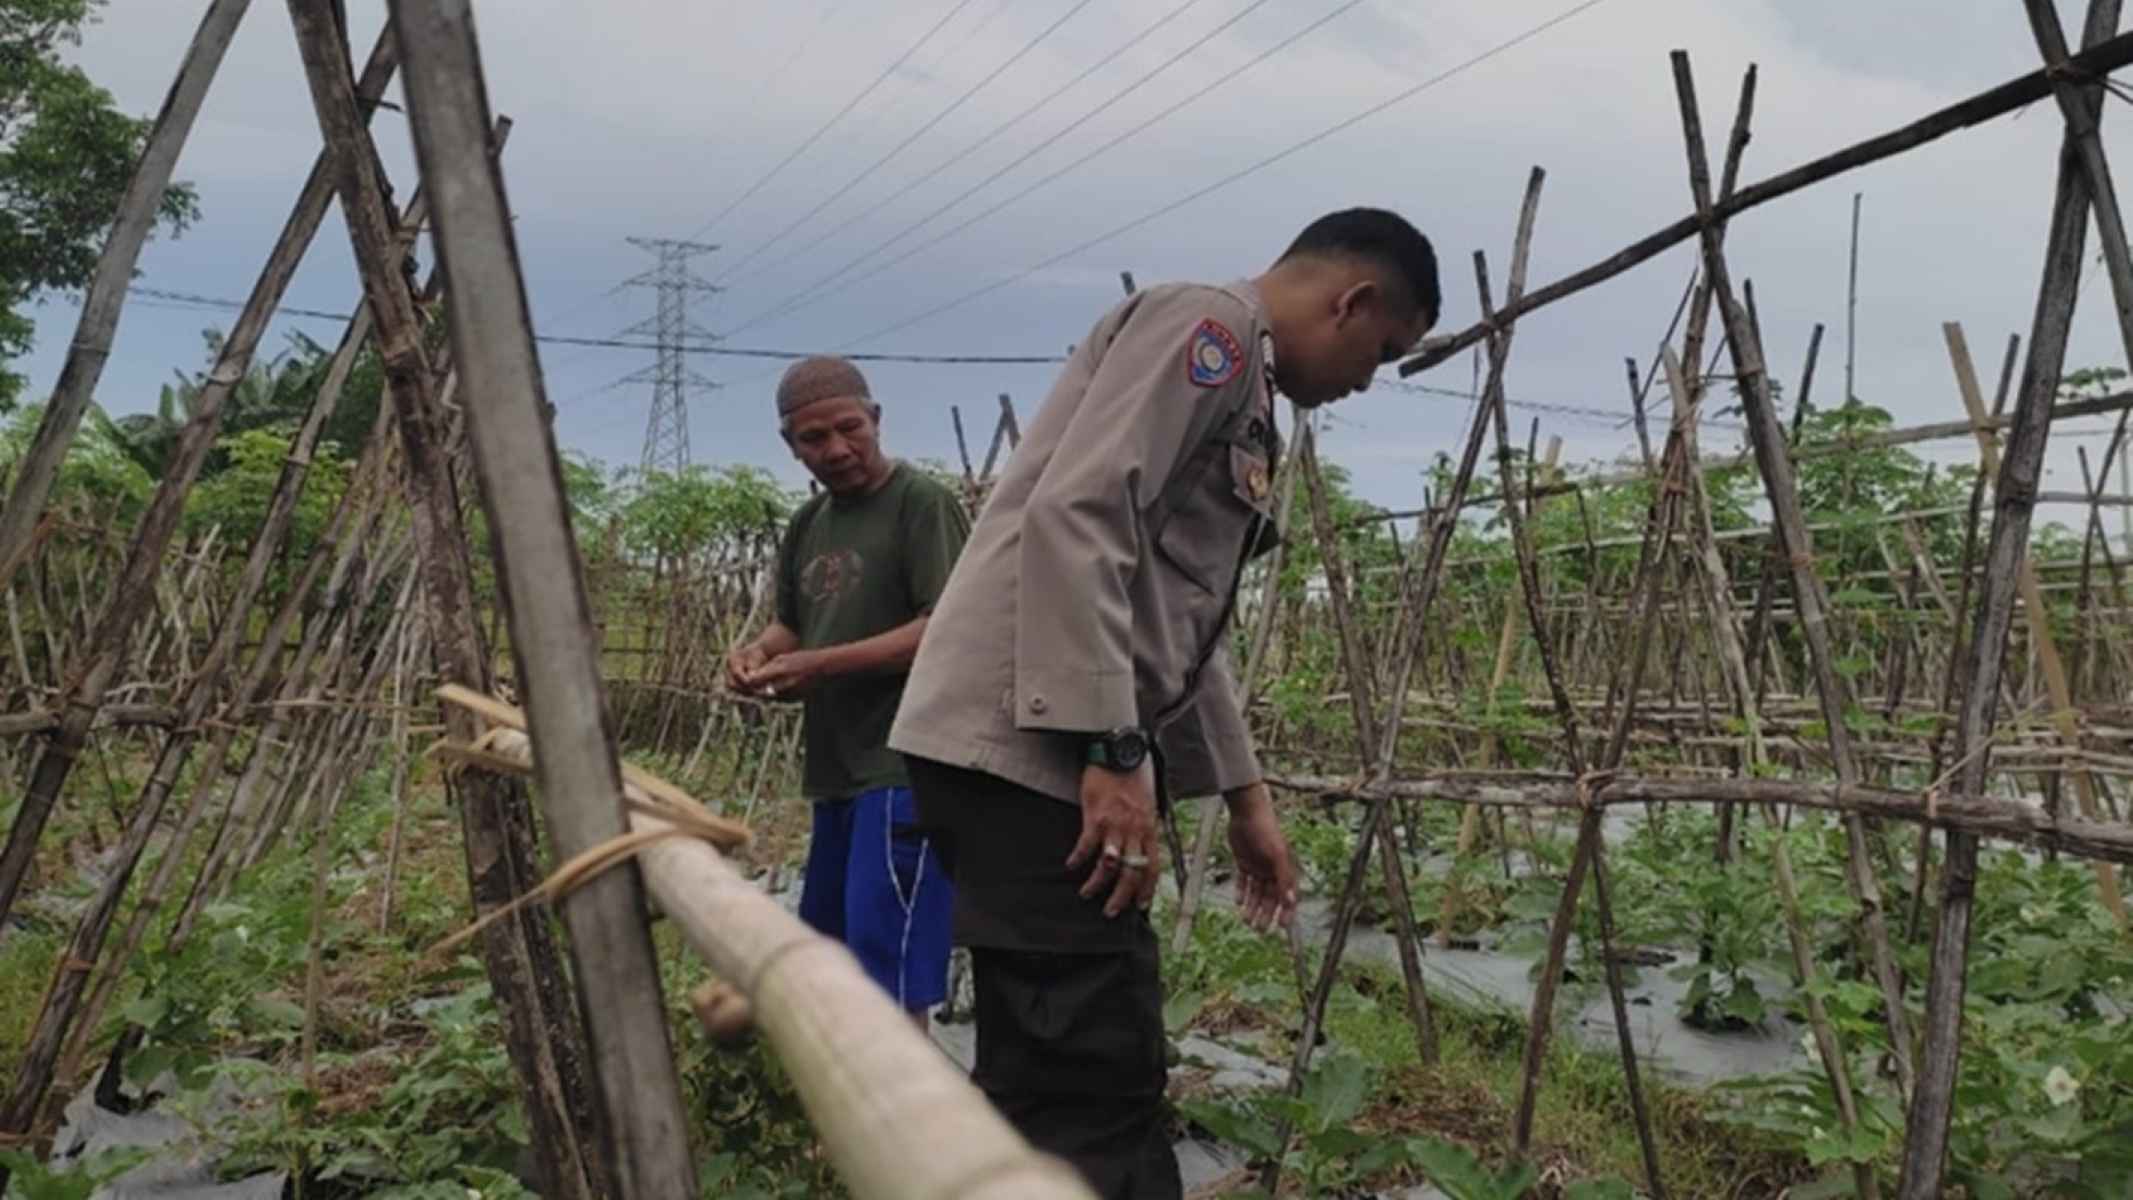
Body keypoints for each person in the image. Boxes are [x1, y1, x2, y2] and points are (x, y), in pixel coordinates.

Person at [889, 209, 1441, 1197]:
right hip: (1026, 742)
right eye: (1383, 352)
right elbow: (1080, 514)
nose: (1367, 381)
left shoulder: (1246, 391)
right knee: (1088, 1073)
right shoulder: (1208, 332)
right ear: (1352, 301)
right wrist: (1109, 747)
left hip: (1032, 741)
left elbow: (1176, 621)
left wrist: (1246, 799)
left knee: (1069, 1060)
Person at [726, 356, 971, 1025]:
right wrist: (756, 655)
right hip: (836, 770)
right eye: (813, 438)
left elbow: (945, 631)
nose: (835, 449)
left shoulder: (920, 504)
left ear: (875, 419)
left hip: (904, 767)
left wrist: (821, 666)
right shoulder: (810, 523)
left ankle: (903, 1094)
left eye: (849, 428)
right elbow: (790, 624)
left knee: (885, 972)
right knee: (834, 962)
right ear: (790, 445)